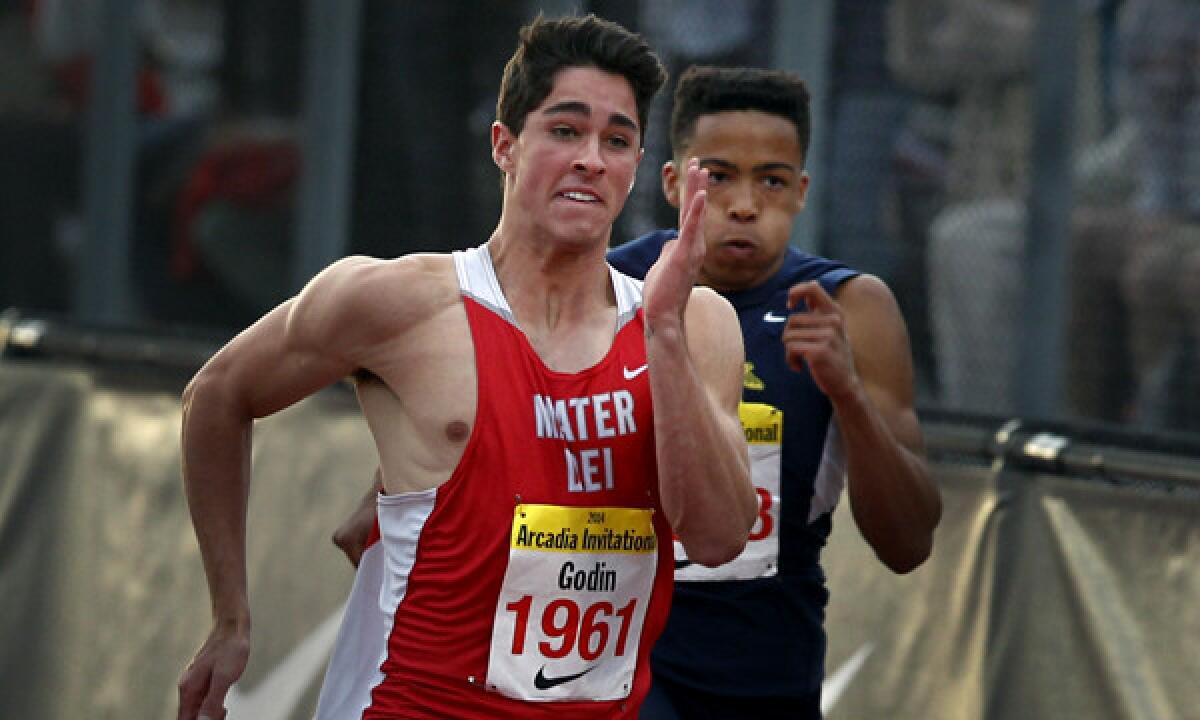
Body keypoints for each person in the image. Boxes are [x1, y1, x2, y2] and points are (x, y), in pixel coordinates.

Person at [175, 14, 756, 720]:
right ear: (505, 146)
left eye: (617, 140)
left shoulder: (694, 325)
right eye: (565, 131)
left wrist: (662, 334)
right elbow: (218, 392)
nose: (591, 160)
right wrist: (229, 619)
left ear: (638, 166)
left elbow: (721, 538)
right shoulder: (400, 304)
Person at [334, 64, 943, 719]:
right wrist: (385, 502)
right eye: (718, 176)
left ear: (801, 192)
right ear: (675, 183)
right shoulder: (605, 288)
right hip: (617, 666)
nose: (743, 204)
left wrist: (846, 392)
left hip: (767, 664)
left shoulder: (849, 308)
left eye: (770, 180)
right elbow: (449, 436)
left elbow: (908, 544)